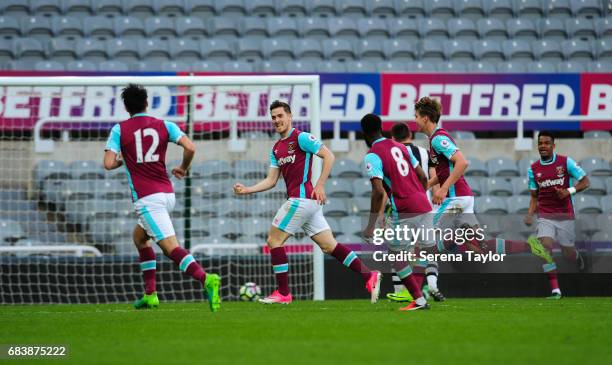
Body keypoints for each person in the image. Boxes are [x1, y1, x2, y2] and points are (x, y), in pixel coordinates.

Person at [234, 100, 382, 305]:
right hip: (308, 204)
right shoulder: (276, 148)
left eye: (280, 116)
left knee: (273, 241)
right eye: (274, 117)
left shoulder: (301, 138)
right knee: (330, 246)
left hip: (302, 199)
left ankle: (283, 293)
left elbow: (328, 155)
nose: (277, 120)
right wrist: (247, 190)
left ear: (290, 116)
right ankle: (369, 275)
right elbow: (271, 180)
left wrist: (320, 184)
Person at [103, 84, 221, 312]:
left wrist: (123, 159)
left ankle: (206, 279)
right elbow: (190, 147)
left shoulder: (120, 129)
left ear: (127, 107)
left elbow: (108, 164)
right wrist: (183, 168)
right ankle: (150, 295)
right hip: (167, 194)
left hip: (147, 199)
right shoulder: (165, 125)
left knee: (170, 249)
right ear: (147, 103)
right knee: (139, 238)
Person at [361, 113, 431, 311]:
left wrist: (370, 225)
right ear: (381, 127)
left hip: (404, 208)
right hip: (423, 204)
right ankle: (420, 296)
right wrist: (418, 194)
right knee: (420, 252)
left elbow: (377, 191)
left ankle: (418, 299)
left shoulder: (373, 155)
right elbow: (422, 176)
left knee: (396, 255)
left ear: (364, 134)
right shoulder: (400, 146)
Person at [525, 131, 590, 299]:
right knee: (545, 247)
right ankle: (555, 290)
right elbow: (534, 196)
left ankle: (576, 257)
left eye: (547, 143)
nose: (543, 146)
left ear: (553, 145)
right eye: (540, 143)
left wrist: (569, 191)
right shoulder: (533, 169)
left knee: (568, 253)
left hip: (565, 215)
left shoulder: (565, 162)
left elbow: (585, 181)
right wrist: (530, 214)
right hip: (545, 215)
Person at [389, 122, 445, 302]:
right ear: (410, 136)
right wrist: (435, 193)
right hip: (424, 206)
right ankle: (428, 287)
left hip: (402, 207)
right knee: (426, 249)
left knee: (398, 251)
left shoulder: (391, 153)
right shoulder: (424, 152)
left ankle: (400, 292)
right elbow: (432, 176)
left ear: (393, 138)